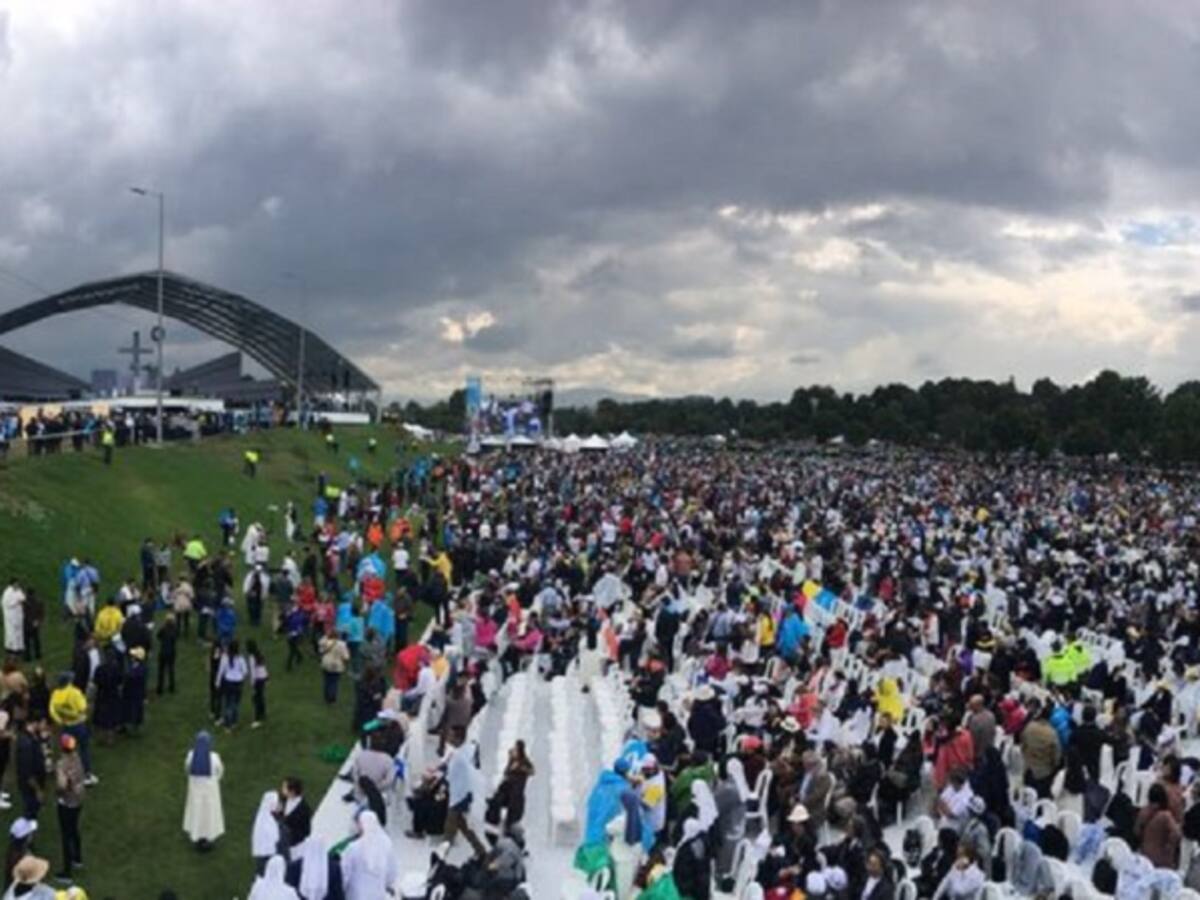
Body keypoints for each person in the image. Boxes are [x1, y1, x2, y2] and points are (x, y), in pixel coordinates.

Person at [339, 810, 398, 900]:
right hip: (378, 894)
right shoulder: (386, 845)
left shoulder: (353, 848)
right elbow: (392, 873)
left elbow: (344, 874)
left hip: (356, 895)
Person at [48, 673, 95, 786]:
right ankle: (87, 775)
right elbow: (83, 708)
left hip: (66, 726)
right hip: (78, 724)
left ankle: (68, 774)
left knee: (68, 751)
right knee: (83, 749)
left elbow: (52, 711)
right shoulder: (75, 692)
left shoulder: (56, 694)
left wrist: (60, 721)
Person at [183, 732, 225, 850]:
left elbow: (187, 769)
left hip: (195, 793)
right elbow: (220, 771)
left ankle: (197, 836)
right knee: (210, 814)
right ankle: (208, 838)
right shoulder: (214, 757)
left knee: (197, 813)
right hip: (211, 793)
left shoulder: (191, 755)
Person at [54, 734, 84, 881]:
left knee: (66, 836)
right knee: (74, 830)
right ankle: (78, 859)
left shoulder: (62, 764)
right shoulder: (77, 757)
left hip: (66, 803)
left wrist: (58, 792)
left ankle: (67, 872)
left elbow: (62, 785)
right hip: (78, 800)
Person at [487, 741, 535, 832]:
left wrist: (521, 767)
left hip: (516, 794)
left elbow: (531, 771)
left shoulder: (524, 762)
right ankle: (494, 822)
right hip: (507, 790)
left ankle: (507, 827)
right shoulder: (511, 762)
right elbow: (506, 773)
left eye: (516, 749)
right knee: (496, 801)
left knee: (512, 813)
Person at [1136, 782, 1182, 869]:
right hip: (1162, 858)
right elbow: (1176, 833)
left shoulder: (1143, 812)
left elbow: (1136, 831)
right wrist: (1169, 846)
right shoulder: (1165, 816)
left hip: (1144, 855)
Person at [15, 717, 47, 820]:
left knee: (34, 809)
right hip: (30, 786)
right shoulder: (26, 744)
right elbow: (27, 773)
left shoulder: (33, 736)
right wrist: (38, 790)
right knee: (30, 811)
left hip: (36, 781)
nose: (45, 726)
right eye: (43, 723)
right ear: (34, 723)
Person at [215, 640, 248, 730]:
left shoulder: (225, 657)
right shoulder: (240, 658)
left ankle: (227, 724)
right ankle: (234, 722)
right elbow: (245, 671)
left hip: (228, 682)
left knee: (228, 703)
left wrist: (217, 682)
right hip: (238, 682)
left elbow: (221, 671)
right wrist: (241, 676)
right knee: (236, 703)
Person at [251, 790, 281, 875]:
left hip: (265, 853)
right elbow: (275, 837)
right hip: (267, 854)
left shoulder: (264, 817)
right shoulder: (267, 820)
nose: (278, 805)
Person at [278, 777, 312, 850]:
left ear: (292, 792)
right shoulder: (283, 800)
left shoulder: (304, 809)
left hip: (293, 844)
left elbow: (306, 831)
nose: (282, 789)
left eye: (284, 788)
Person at [318, 628, 350, 705]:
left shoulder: (325, 642)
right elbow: (346, 657)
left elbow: (320, 650)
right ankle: (332, 699)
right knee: (334, 682)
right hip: (336, 664)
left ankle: (326, 697)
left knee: (327, 681)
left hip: (326, 663)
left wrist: (326, 635)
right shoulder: (342, 644)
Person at [2, 580, 25, 662]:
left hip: (18, 616)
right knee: (11, 634)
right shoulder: (7, 593)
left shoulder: (18, 590)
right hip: (10, 617)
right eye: (16, 584)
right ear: (12, 584)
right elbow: (6, 604)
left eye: (18, 584)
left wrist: (20, 600)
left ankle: (19, 649)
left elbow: (23, 598)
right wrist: (16, 602)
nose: (18, 585)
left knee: (19, 633)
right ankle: (12, 650)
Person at [156, 613, 179, 695]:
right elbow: (176, 637)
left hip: (163, 651)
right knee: (171, 670)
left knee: (161, 671)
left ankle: (159, 689)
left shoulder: (163, 629)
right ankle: (172, 688)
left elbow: (158, 636)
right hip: (171, 652)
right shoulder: (175, 629)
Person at [248, 640, 269, 729]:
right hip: (263, 677)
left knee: (256, 699)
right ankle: (263, 714)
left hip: (257, 679)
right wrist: (267, 677)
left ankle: (257, 719)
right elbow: (263, 666)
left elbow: (253, 672)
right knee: (261, 696)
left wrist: (252, 684)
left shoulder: (251, 657)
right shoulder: (259, 653)